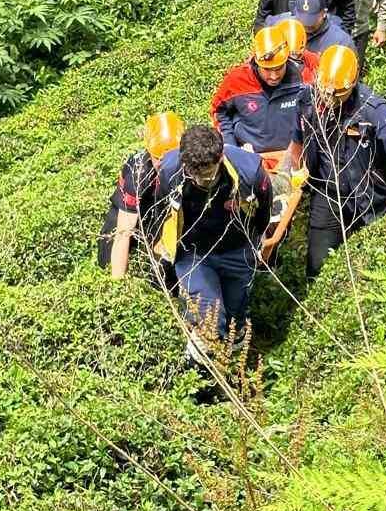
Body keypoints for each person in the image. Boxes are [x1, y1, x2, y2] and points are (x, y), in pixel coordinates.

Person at [289, 44, 386, 277]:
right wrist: (297, 168)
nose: (329, 97)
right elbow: (297, 138)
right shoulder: (307, 100)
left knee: (376, 268)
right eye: (325, 89)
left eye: (337, 93)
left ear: (352, 83)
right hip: (329, 193)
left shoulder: (373, 110)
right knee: (317, 268)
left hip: (371, 197)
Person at [154, 125, 273, 358]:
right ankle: (198, 381)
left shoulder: (249, 171)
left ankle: (234, 368)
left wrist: (256, 241)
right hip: (194, 254)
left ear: (220, 157)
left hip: (238, 249)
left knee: (236, 317)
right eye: (195, 174)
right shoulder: (170, 172)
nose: (201, 181)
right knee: (208, 320)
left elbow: (264, 210)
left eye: (208, 175)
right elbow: (161, 211)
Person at [100, 111, 184, 284]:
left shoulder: (190, 160)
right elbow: (124, 232)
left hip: (164, 210)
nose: (165, 163)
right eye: (159, 158)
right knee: (108, 259)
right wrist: (117, 286)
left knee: (165, 268)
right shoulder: (137, 173)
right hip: (130, 210)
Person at [209, 23, 317, 154]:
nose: (274, 76)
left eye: (279, 68)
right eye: (267, 70)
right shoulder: (236, 81)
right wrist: (231, 147)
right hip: (251, 157)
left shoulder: (302, 80)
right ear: (256, 61)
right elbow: (219, 111)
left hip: (291, 157)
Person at [269, 0, 354, 57]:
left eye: (311, 19)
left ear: (324, 13)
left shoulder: (340, 41)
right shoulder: (282, 25)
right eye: (302, 18)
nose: (306, 24)